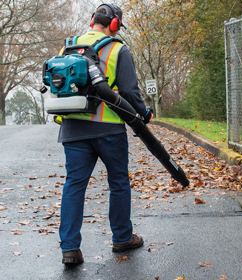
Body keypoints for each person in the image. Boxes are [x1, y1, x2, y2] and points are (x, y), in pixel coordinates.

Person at [58, 3, 153, 265]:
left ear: (92, 21)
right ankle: (122, 238)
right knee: (119, 182)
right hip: (109, 128)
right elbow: (131, 92)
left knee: (74, 185)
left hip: (73, 128)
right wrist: (144, 114)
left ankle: (70, 249)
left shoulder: (68, 46)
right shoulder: (117, 49)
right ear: (114, 25)